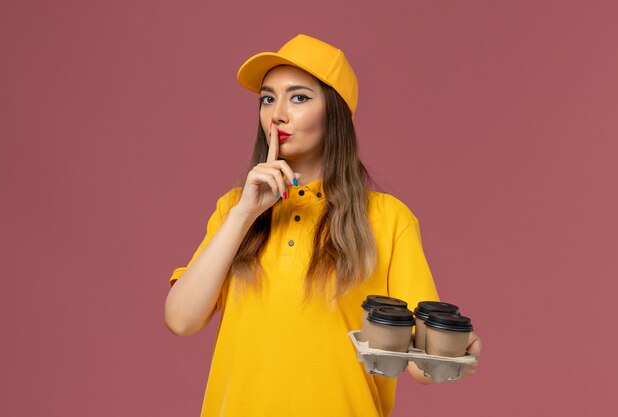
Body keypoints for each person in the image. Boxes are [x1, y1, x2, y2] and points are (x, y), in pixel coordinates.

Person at [164, 34, 482, 417]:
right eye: (268, 98)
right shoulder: (234, 209)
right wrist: (246, 212)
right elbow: (181, 319)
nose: (277, 113)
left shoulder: (387, 219)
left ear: (334, 112)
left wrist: (457, 349)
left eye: (298, 97)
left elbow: (418, 364)